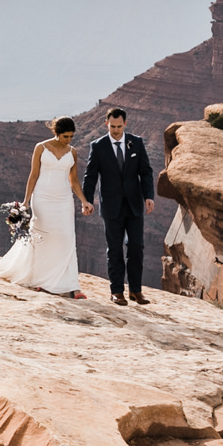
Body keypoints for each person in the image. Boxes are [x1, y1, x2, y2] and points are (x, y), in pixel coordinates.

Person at [0, 116, 83, 297]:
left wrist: (84, 201)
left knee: (67, 238)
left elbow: (74, 181)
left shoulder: (72, 152)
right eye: (65, 136)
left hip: (64, 200)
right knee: (44, 237)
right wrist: (26, 201)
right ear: (56, 133)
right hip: (43, 198)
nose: (68, 140)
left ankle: (72, 286)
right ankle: (42, 280)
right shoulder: (41, 148)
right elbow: (33, 175)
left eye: (71, 137)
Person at [82, 107, 156, 306]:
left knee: (136, 248)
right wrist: (86, 200)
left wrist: (149, 196)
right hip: (111, 207)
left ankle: (136, 291)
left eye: (119, 126)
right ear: (106, 124)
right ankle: (117, 292)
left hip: (134, 205)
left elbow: (146, 172)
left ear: (125, 123)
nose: (115, 130)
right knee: (114, 249)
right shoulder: (98, 146)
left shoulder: (136, 143)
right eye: (112, 126)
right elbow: (90, 176)